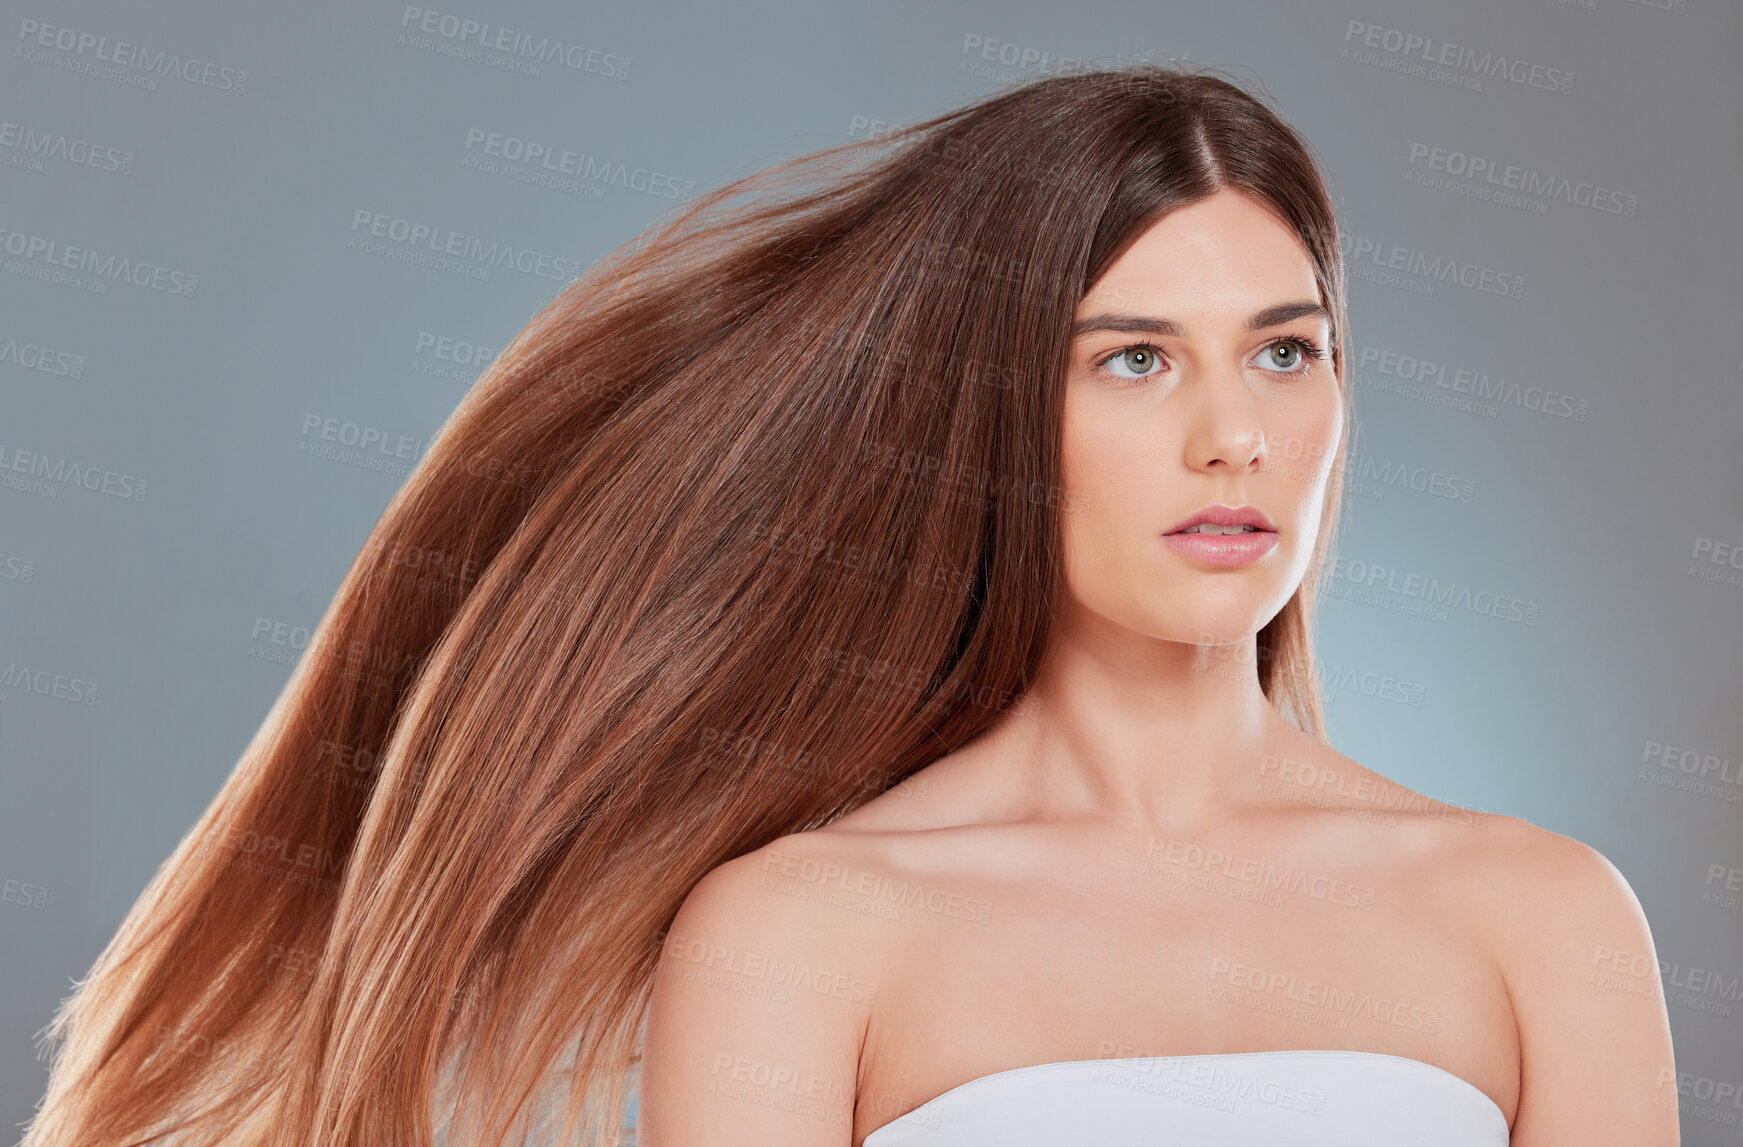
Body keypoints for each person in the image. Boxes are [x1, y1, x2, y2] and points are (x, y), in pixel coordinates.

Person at [24, 64, 1674, 1147]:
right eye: (1132, 358)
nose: (1233, 430)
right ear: (989, 403)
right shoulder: (800, 934)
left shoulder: (1540, 921)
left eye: (1285, 348)